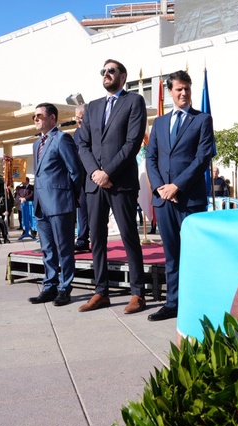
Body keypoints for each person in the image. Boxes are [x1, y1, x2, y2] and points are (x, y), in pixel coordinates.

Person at [77, 59, 148, 314]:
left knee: (129, 236)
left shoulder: (134, 102)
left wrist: (108, 172)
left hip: (121, 182)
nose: (106, 74)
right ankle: (101, 291)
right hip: (94, 184)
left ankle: (138, 293)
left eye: (111, 71)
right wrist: (96, 172)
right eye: (103, 71)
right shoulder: (93, 107)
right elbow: (82, 144)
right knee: (96, 238)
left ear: (122, 75)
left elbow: (132, 142)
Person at [146, 70, 215, 321]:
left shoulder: (202, 120)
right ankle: (172, 303)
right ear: (170, 91)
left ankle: (197, 302)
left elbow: (202, 158)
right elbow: (151, 157)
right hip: (164, 200)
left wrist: (177, 186)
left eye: (187, 88)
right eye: (178, 89)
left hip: (189, 199)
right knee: (171, 254)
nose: (184, 93)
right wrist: (160, 188)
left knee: (193, 253)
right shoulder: (160, 122)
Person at [28, 102, 84, 306]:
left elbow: (76, 171)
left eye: (39, 116)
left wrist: (71, 196)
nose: (35, 119)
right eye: (34, 116)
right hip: (41, 205)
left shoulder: (62, 139)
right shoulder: (37, 144)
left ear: (52, 118)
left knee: (64, 249)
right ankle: (49, 286)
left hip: (60, 203)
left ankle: (64, 288)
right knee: (48, 249)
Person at [72, 104, 90, 252]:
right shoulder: (76, 133)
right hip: (81, 178)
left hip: (94, 176)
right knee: (82, 209)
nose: (79, 121)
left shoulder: (94, 130)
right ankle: (82, 239)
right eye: (77, 118)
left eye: (81, 117)